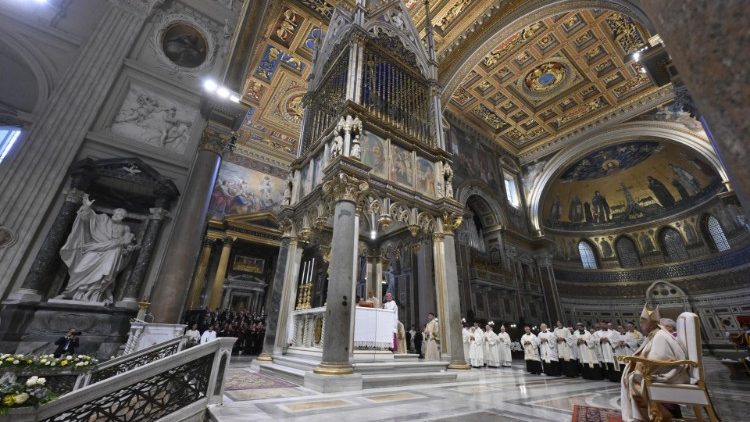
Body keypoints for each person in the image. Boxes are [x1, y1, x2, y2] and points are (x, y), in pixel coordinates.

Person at [621, 305, 689, 422]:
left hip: (671, 374)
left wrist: (640, 365)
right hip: (665, 369)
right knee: (631, 376)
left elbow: (659, 358)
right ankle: (645, 415)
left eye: (642, 323)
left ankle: (650, 415)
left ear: (649, 323)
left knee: (633, 380)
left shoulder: (659, 335)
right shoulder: (654, 334)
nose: (640, 326)